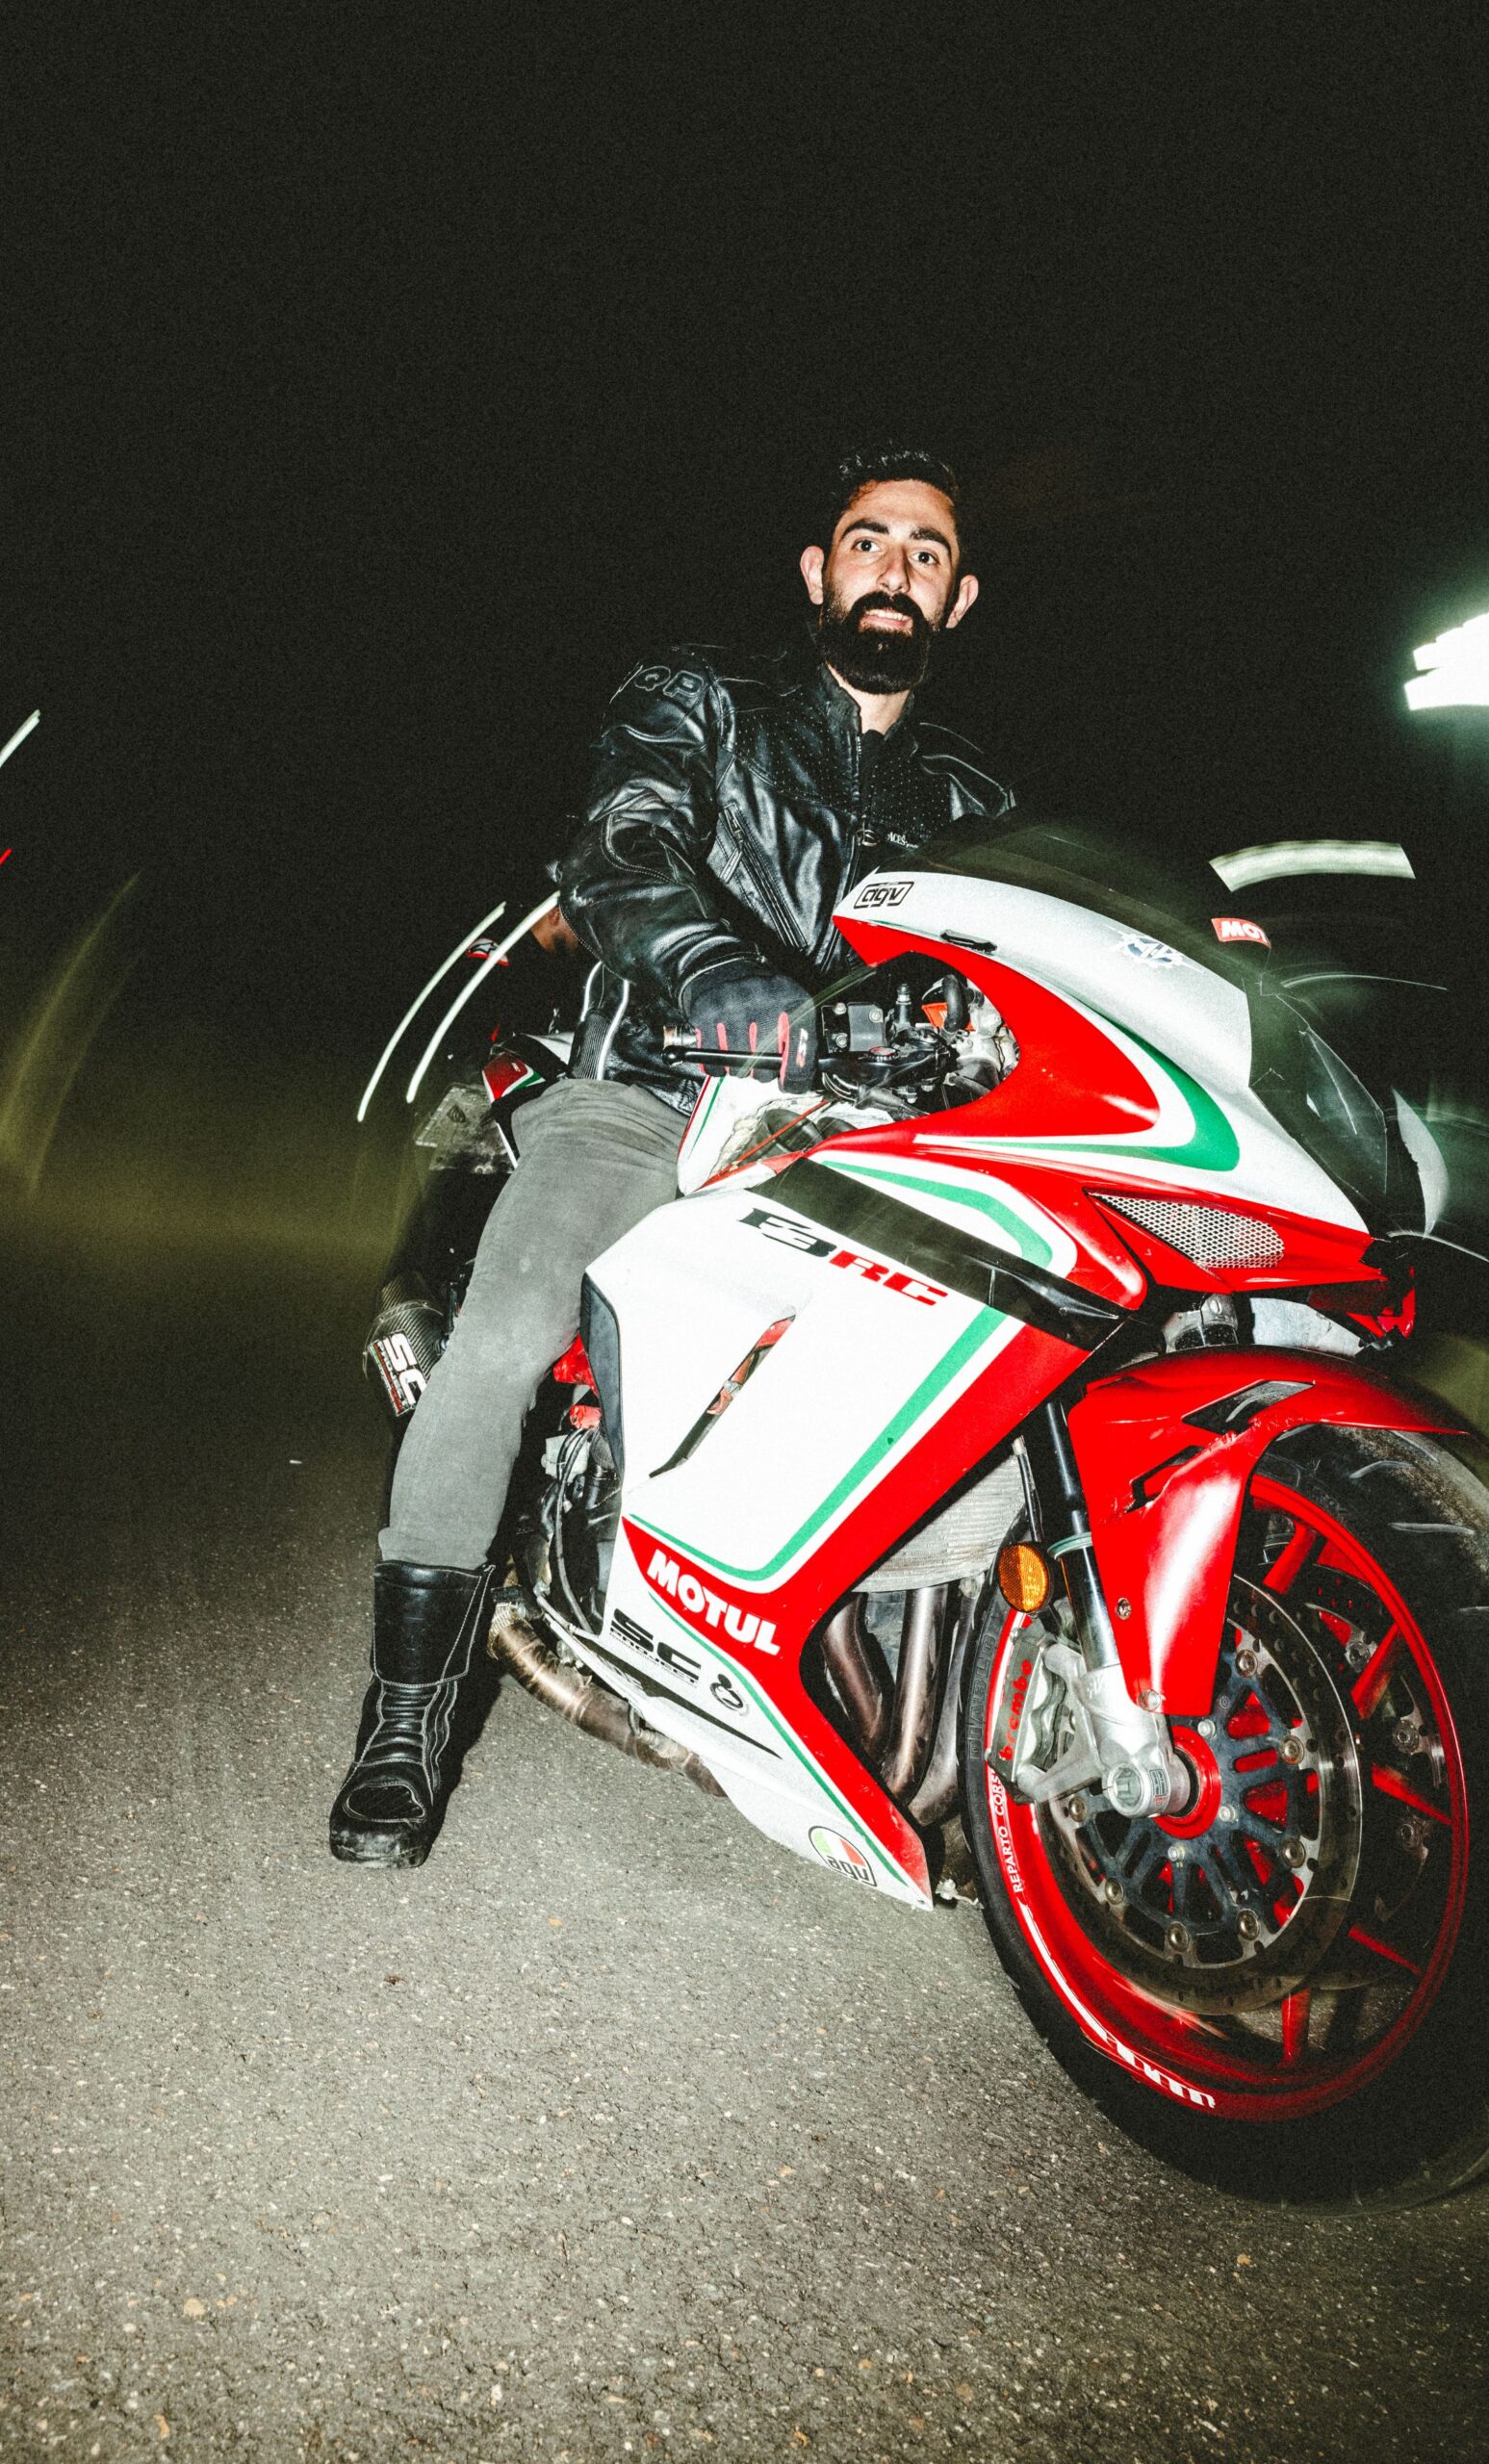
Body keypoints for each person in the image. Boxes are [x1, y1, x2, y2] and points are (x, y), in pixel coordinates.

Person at [329, 443, 1014, 1866]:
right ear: (820, 572)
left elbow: (1033, 941)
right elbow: (621, 845)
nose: (896, 567)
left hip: (848, 1130)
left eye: (928, 552)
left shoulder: (973, 802)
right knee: (509, 1330)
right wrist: (707, 968)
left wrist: (1200, 942)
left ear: (959, 602)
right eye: (870, 541)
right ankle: (403, 1719)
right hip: (655, 1087)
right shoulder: (700, 699)